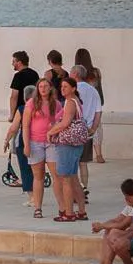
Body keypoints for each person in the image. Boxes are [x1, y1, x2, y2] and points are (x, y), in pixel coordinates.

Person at [47, 77, 87, 222]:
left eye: (66, 86)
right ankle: (81, 211)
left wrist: (50, 132)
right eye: (61, 86)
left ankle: (68, 213)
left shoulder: (70, 102)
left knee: (66, 179)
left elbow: (65, 123)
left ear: (73, 88)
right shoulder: (76, 101)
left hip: (67, 144)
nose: (62, 89)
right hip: (76, 144)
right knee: (74, 178)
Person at [20, 77, 60, 218]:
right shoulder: (31, 103)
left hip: (51, 142)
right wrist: (26, 145)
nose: (43, 88)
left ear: (50, 88)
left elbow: (60, 121)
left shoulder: (56, 104)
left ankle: (62, 207)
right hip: (35, 142)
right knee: (38, 176)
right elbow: (25, 125)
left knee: (56, 175)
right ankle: (38, 208)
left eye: (45, 86)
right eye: (40, 86)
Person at [6, 51, 39, 202]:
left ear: (19, 62)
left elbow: (14, 96)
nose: (12, 64)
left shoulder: (18, 76)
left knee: (21, 148)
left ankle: (28, 185)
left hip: (23, 111)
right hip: (36, 113)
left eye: (14, 61)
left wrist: (12, 115)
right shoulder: (34, 74)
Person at [71, 64, 103, 199]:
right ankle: (84, 188)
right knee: (83, 163)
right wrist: (94, 128)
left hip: (73, 131)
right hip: (87, 132)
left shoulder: (72, 90)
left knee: (72, 165)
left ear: (75, 75)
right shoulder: (93, 91)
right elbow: (98, 112)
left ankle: (75, 192)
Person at [74, 47, 106, 163]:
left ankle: (81, 152)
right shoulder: (95, 72)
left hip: (80, 105)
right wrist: (101, 101)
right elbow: (99, 89)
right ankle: (99, 154)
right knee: (96, 128)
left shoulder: (76, 74)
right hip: (94, 103)